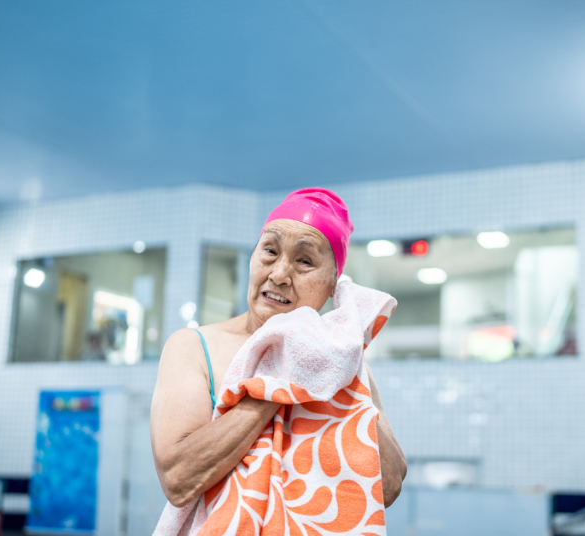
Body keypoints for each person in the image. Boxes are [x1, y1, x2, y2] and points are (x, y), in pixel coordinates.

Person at [150, 188, 407, 515]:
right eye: (269, 251)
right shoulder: (193, 347)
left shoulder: (342, 361)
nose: (279, 274)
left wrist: (344, 375)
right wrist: (280, 379)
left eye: (304, 261)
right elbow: (178, 478)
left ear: (332, 284)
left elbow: (389, 486)